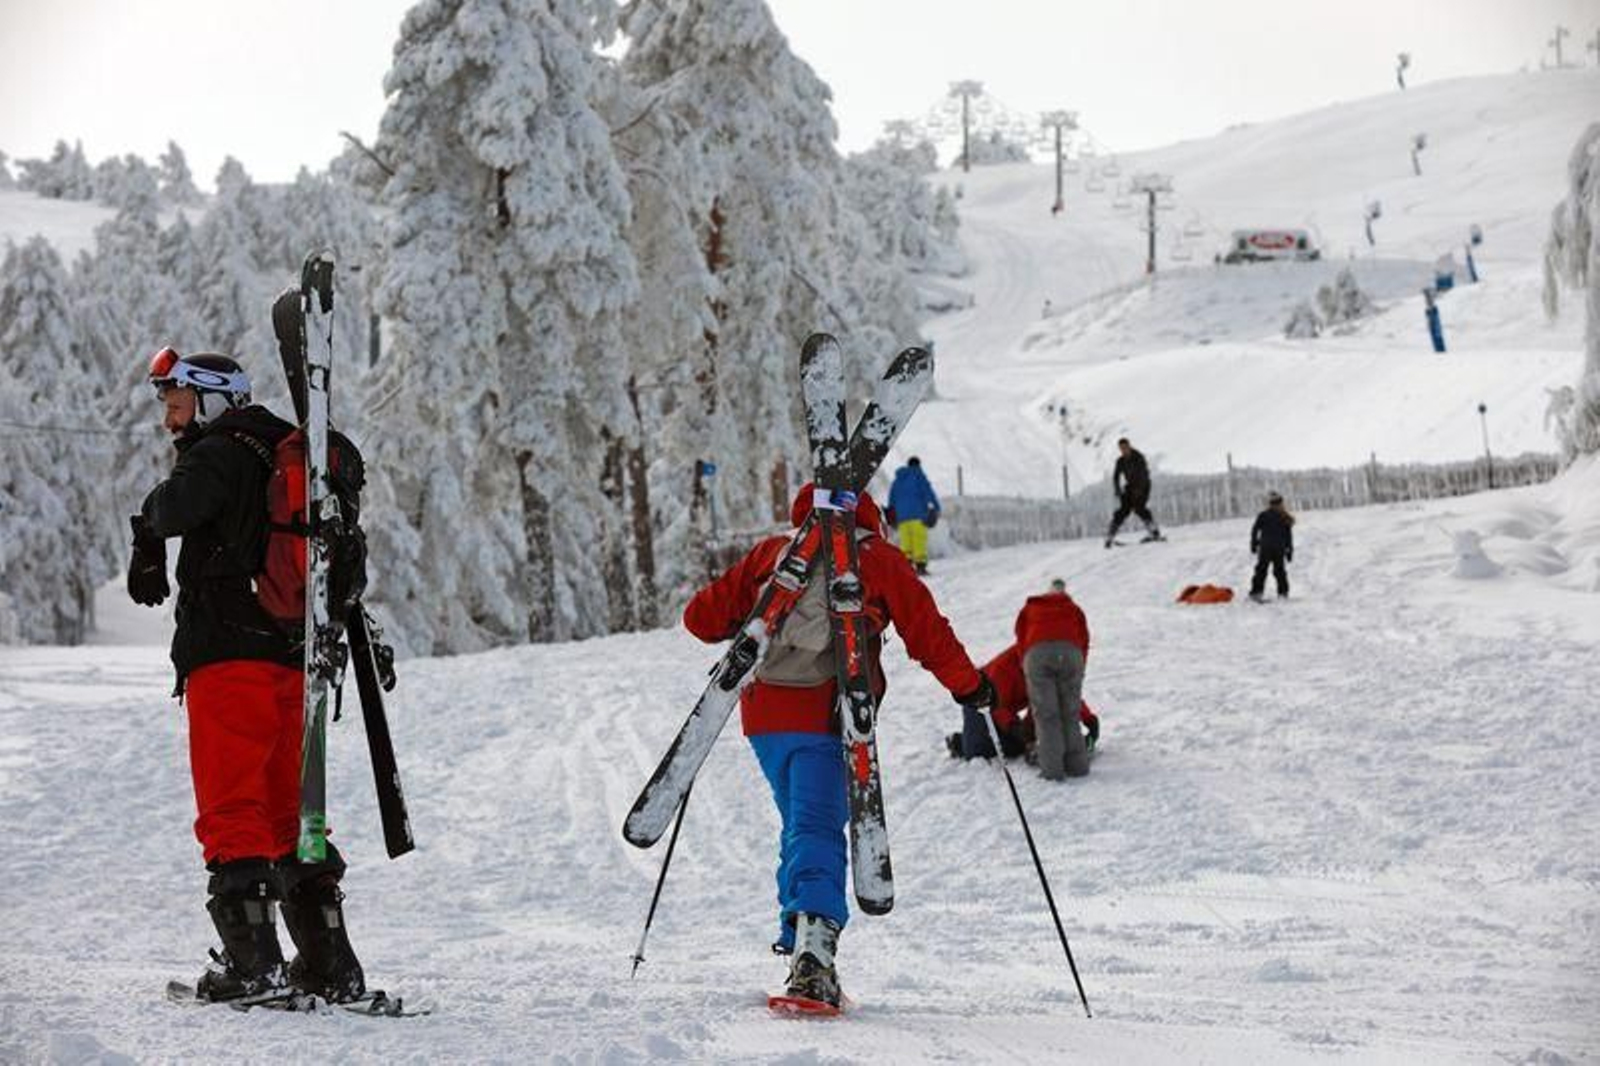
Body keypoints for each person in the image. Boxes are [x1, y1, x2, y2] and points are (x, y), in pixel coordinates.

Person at [682, 483, 992, 1009]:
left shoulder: (773, 554)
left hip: (763, 719)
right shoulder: (876, 557)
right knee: (816, 828)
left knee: (802, 826)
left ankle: (801, 936)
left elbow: (699, 619)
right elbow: (928, 634)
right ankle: (814, 959)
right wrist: (972, 688)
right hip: (827, 716)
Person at [130, 347, 366, 1004]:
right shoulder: (287, 454)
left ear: (210, 396)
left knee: (232, 805)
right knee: (294, 813)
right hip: (293, 658)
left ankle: (253, 965)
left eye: (176, 399)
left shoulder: (220, 449)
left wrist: (146, 526)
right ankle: (330, 965)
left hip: (229, 658)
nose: (168, 414)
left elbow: (177, 507)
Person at [946, 643, 1100, 761]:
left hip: (1008, 707)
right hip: (980, 698)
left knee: (1020, 744)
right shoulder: (1004, 668)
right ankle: (959, 742)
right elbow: (997, 707)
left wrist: (1089, 720)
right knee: (977, 752)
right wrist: (1014, 728)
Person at [1011, 578, 1092, 779]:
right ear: (1064, 593)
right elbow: (1084, 639)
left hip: (1037, 655)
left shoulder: (1031, 607)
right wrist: (1080, 668)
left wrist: (1025, 664)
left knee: (1047, 715)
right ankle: (1078, 767)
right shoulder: (1074, 608)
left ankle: (1052, 770)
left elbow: (1020, 637)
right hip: (1071, 654)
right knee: (1070, 713)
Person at [886, 456, 941, 575]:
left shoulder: (897, 480)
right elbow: (928, 492)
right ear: (917, 465)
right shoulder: (919, 476)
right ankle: (920, 567)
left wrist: (892, 514)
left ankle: (907, 568)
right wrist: (936, 507)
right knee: (919, 541)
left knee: (906, 543)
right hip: (918, 515)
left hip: (901, 518)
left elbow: (891, 500)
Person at [1105, 437, 1162, 547]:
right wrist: (1117, 489)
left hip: (1144, 486)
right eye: (1121, 448)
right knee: (1123, 510)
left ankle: (1154, 532)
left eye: (1125, 447)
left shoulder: (1138, 457)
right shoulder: (1120, 461)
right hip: (1131, 486)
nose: (1124, 450)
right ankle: (1110, 536)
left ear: (1129, 446)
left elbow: (1144, 474)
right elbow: (1116, 476)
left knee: (1139, 507)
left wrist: (1139, 490)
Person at [1249, 491, 1295, 601]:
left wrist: (1254, 543)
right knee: (1279, 571)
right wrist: (1289, 550)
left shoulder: (1264, 515)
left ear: (1270, 503)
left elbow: (1255, 530)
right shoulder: (1284, 516)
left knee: (1261, 570)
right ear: (1280, 503)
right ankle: (1283, 592)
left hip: (1266, 547)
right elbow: (1288, 536)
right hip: (1279, 548)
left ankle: (1257, 592)